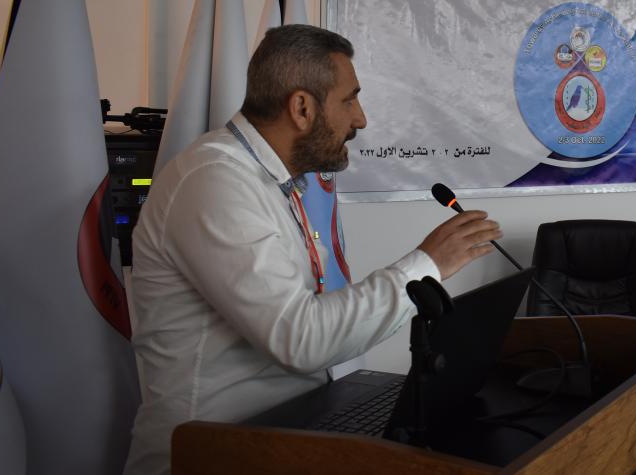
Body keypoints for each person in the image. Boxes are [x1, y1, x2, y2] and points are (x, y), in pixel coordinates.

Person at [124, 26, 501, 474]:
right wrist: (427, 264)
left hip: (285, 435)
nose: (360, 119)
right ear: (302, 108)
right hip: (209, 455)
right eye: (349, 100)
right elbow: (299, 337)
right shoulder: (214, 180)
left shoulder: (280, 180)